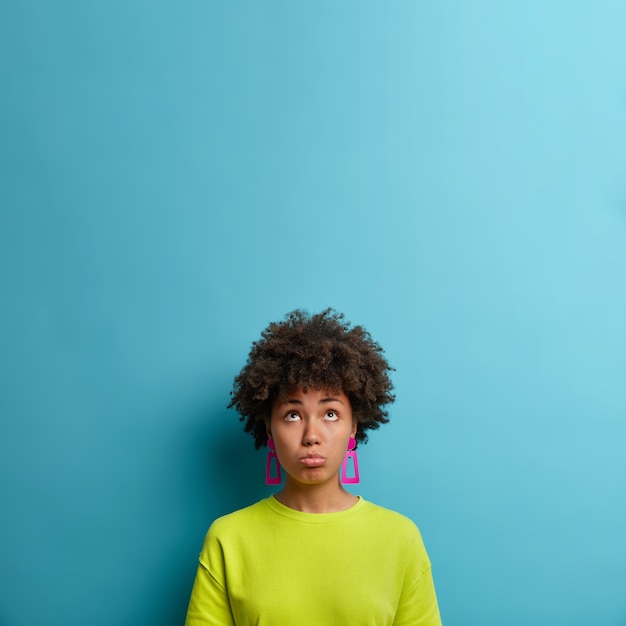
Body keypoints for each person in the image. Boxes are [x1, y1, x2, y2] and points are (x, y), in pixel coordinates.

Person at [185, 309, 442, 626]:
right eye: (292, 415)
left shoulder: (400, 539)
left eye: (330, 413)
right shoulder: (228, 539)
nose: (311, 436)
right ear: (269, 428)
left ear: (353, 426)